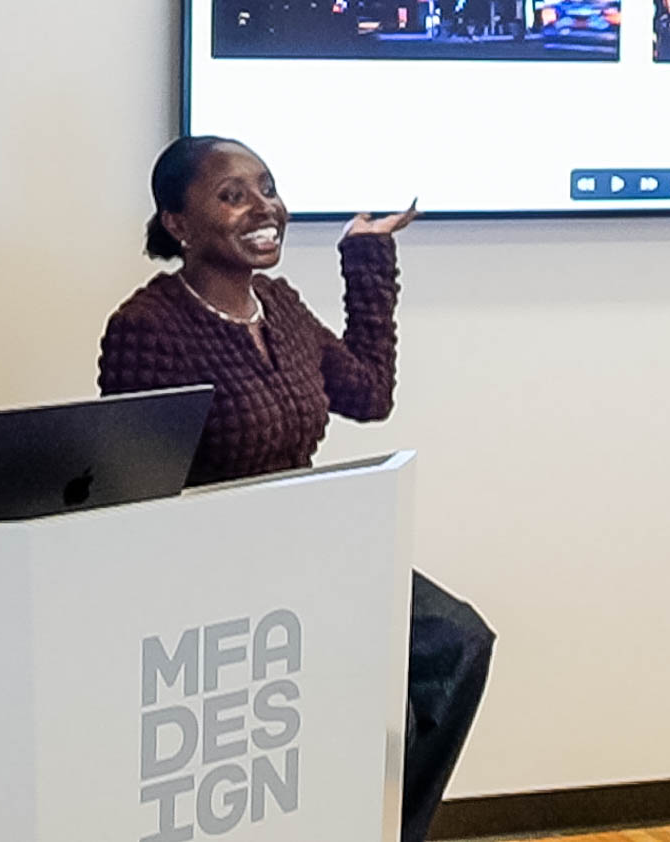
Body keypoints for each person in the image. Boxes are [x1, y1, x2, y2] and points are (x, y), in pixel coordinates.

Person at [98, 135, 494, 842]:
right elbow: (137, 487)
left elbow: (369, 394)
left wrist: (365, 255)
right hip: (211, 564)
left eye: (268, 186)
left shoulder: (279, 307)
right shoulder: (146, 326)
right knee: (371, 706)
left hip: (310, 538)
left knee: (456, 641)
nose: (264, 207)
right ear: (177, 224)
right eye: (233, 194)